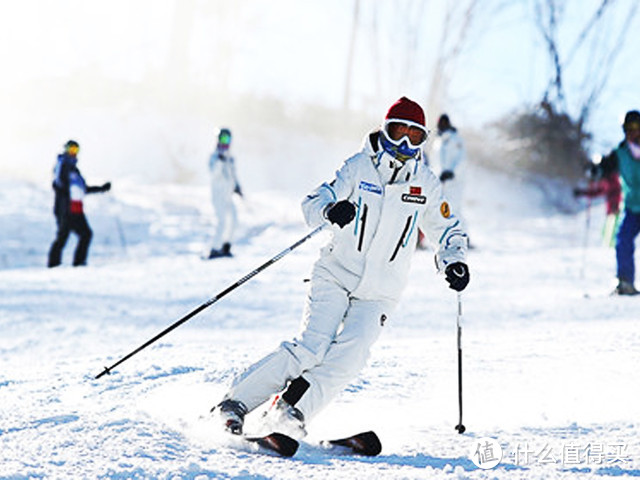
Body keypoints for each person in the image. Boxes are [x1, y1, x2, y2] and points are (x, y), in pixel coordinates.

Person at [212, 97, 469, 438]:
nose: (404, 143)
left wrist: (454, 261)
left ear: (423, 140)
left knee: (351, 357)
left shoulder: (425, 184)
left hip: (381, 291)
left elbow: (448, 229)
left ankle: (290, 413)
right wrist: (331, 211)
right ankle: (234, 403)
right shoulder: (359, 167)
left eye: (414, 135)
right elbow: (314, 202)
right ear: (385, 130)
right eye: (398, 132)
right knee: (311, 347)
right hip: (336, 274)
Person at [593, 110, 640, 295]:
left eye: (637, 127)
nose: (633, 132)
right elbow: (603, 168)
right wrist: (594, 170)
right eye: (629, 128)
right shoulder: (620, 153)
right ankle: (625, 281)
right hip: (632, 207)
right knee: (623, 240)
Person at [47, 140, 111, 268]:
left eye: (76, 150)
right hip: (65, 210)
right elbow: (60, 184)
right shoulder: (63, 165)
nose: (73, 153)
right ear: (65, 149)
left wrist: (101, 189)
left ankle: (79, 262)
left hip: (76, 210)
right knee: (63, 237)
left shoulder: (74, 170)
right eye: (71, 149)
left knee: (86, 234)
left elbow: (82, 189)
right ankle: (54, 264)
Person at [207, 127, 242, 259]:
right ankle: (214, 249)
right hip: (218, 195)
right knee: (221, 221)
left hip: (228, 195)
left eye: (227, 139)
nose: (225, 142)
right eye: (223, 139)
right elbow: (214, 174)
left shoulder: (230, 158)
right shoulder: (214, 157)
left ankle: (226, 246)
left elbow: (233, 175)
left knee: (234, 220)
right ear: (218, 139)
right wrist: (219, 162)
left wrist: (237, 187)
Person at [434, 113, 468, 240]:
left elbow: (462, 159)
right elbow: (435, 161)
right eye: (440, 123)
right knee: (443, 210)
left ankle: (464, 237)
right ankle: (447, 237)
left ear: (448, 123)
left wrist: (452, 172)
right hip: (441, 182)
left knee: (455, 209)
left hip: (455, 181)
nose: (441, 126)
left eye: (444, 123)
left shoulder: (456, 139)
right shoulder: (438, 141)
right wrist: (438, 175)